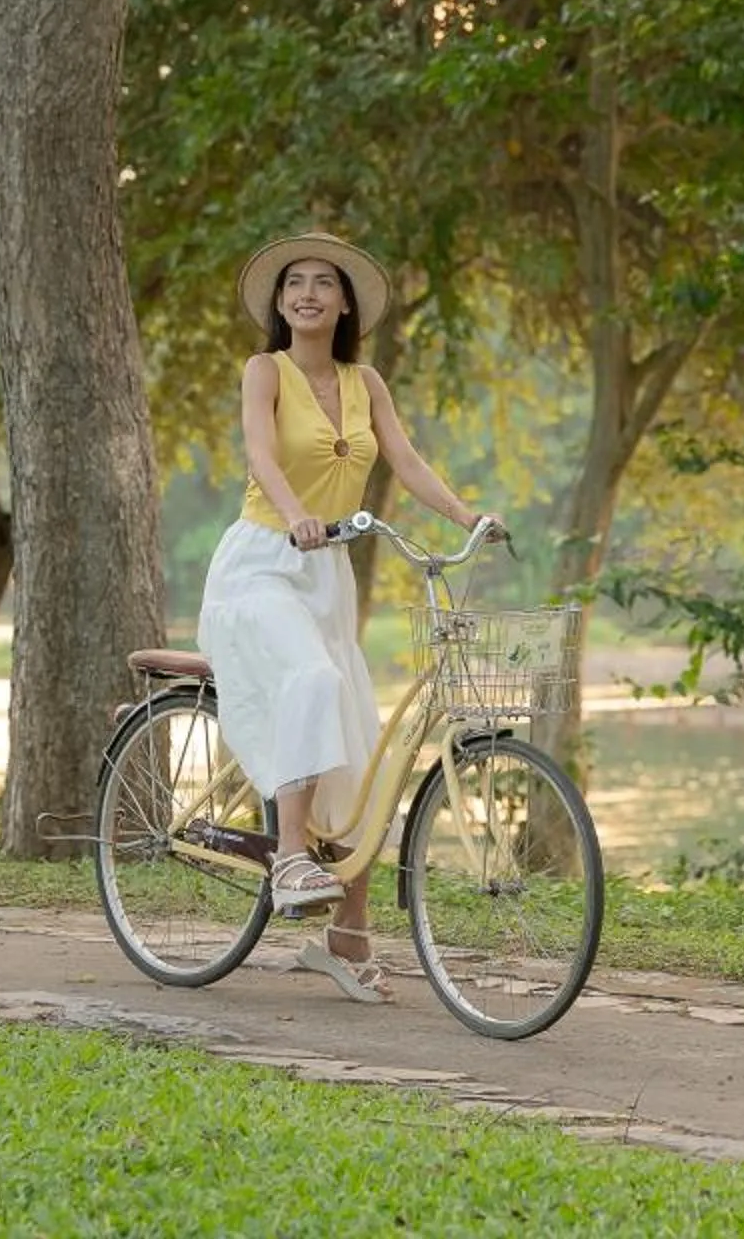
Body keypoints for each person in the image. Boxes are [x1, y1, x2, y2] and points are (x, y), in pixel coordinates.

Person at [199, 230, 501, 1004]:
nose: (305, 294)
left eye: (322, 283)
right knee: (308, 677)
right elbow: (263, 455)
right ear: (279, 302)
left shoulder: (366, 381)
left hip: (328, 577)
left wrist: (467, 515)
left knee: (363, 756)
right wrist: (298, 514)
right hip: (265, 561)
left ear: (344, 302)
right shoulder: (262, 371)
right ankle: (291, 853)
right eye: (292, 283)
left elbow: (404, 459)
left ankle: (346, 937)